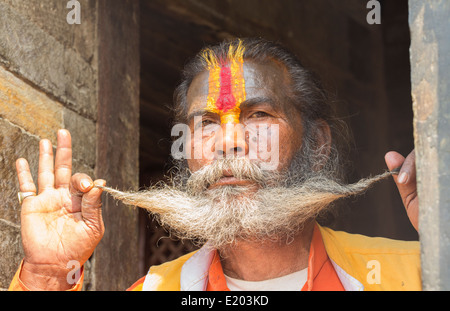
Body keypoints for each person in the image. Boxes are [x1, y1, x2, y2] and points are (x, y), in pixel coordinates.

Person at [9, 38, 420, 291]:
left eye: (258, 116)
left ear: (317, 143)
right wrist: (45, 278)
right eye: (205, 124)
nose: (227, 142)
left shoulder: (416, 273)